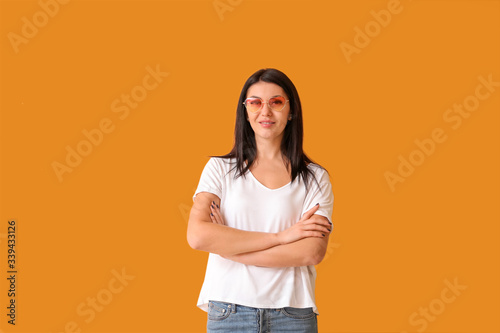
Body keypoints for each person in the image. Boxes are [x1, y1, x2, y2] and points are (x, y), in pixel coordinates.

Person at [187, 68, 334, 333]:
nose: (265, 112)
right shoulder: (219, 169)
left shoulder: (314, 177)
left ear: (291, 112)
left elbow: (311, 251)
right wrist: (282, 237)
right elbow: (198, 236)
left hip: (292, 314)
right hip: (229, 311)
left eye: (276, 102)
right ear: (245, 111)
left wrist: (228, 248)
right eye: (255, 102)